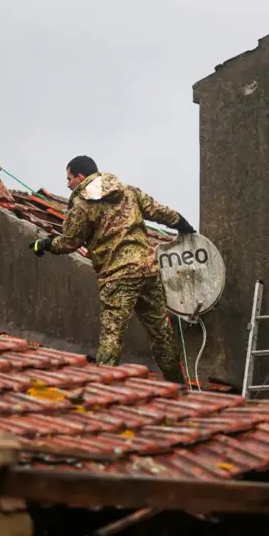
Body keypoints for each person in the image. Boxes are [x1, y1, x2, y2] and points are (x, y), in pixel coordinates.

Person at [29, 155, 195, 382]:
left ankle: (103, 386)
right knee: (161, 332)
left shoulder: (82, 204)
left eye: (69, 179)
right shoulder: (127, 190)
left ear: (80, 177)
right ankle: (179, 386)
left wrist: (46, 244)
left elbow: (70, 242)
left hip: (117, 276)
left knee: (112, 334)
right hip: (148, 270)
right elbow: (160, 212)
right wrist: (185, 226)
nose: (67, 184)